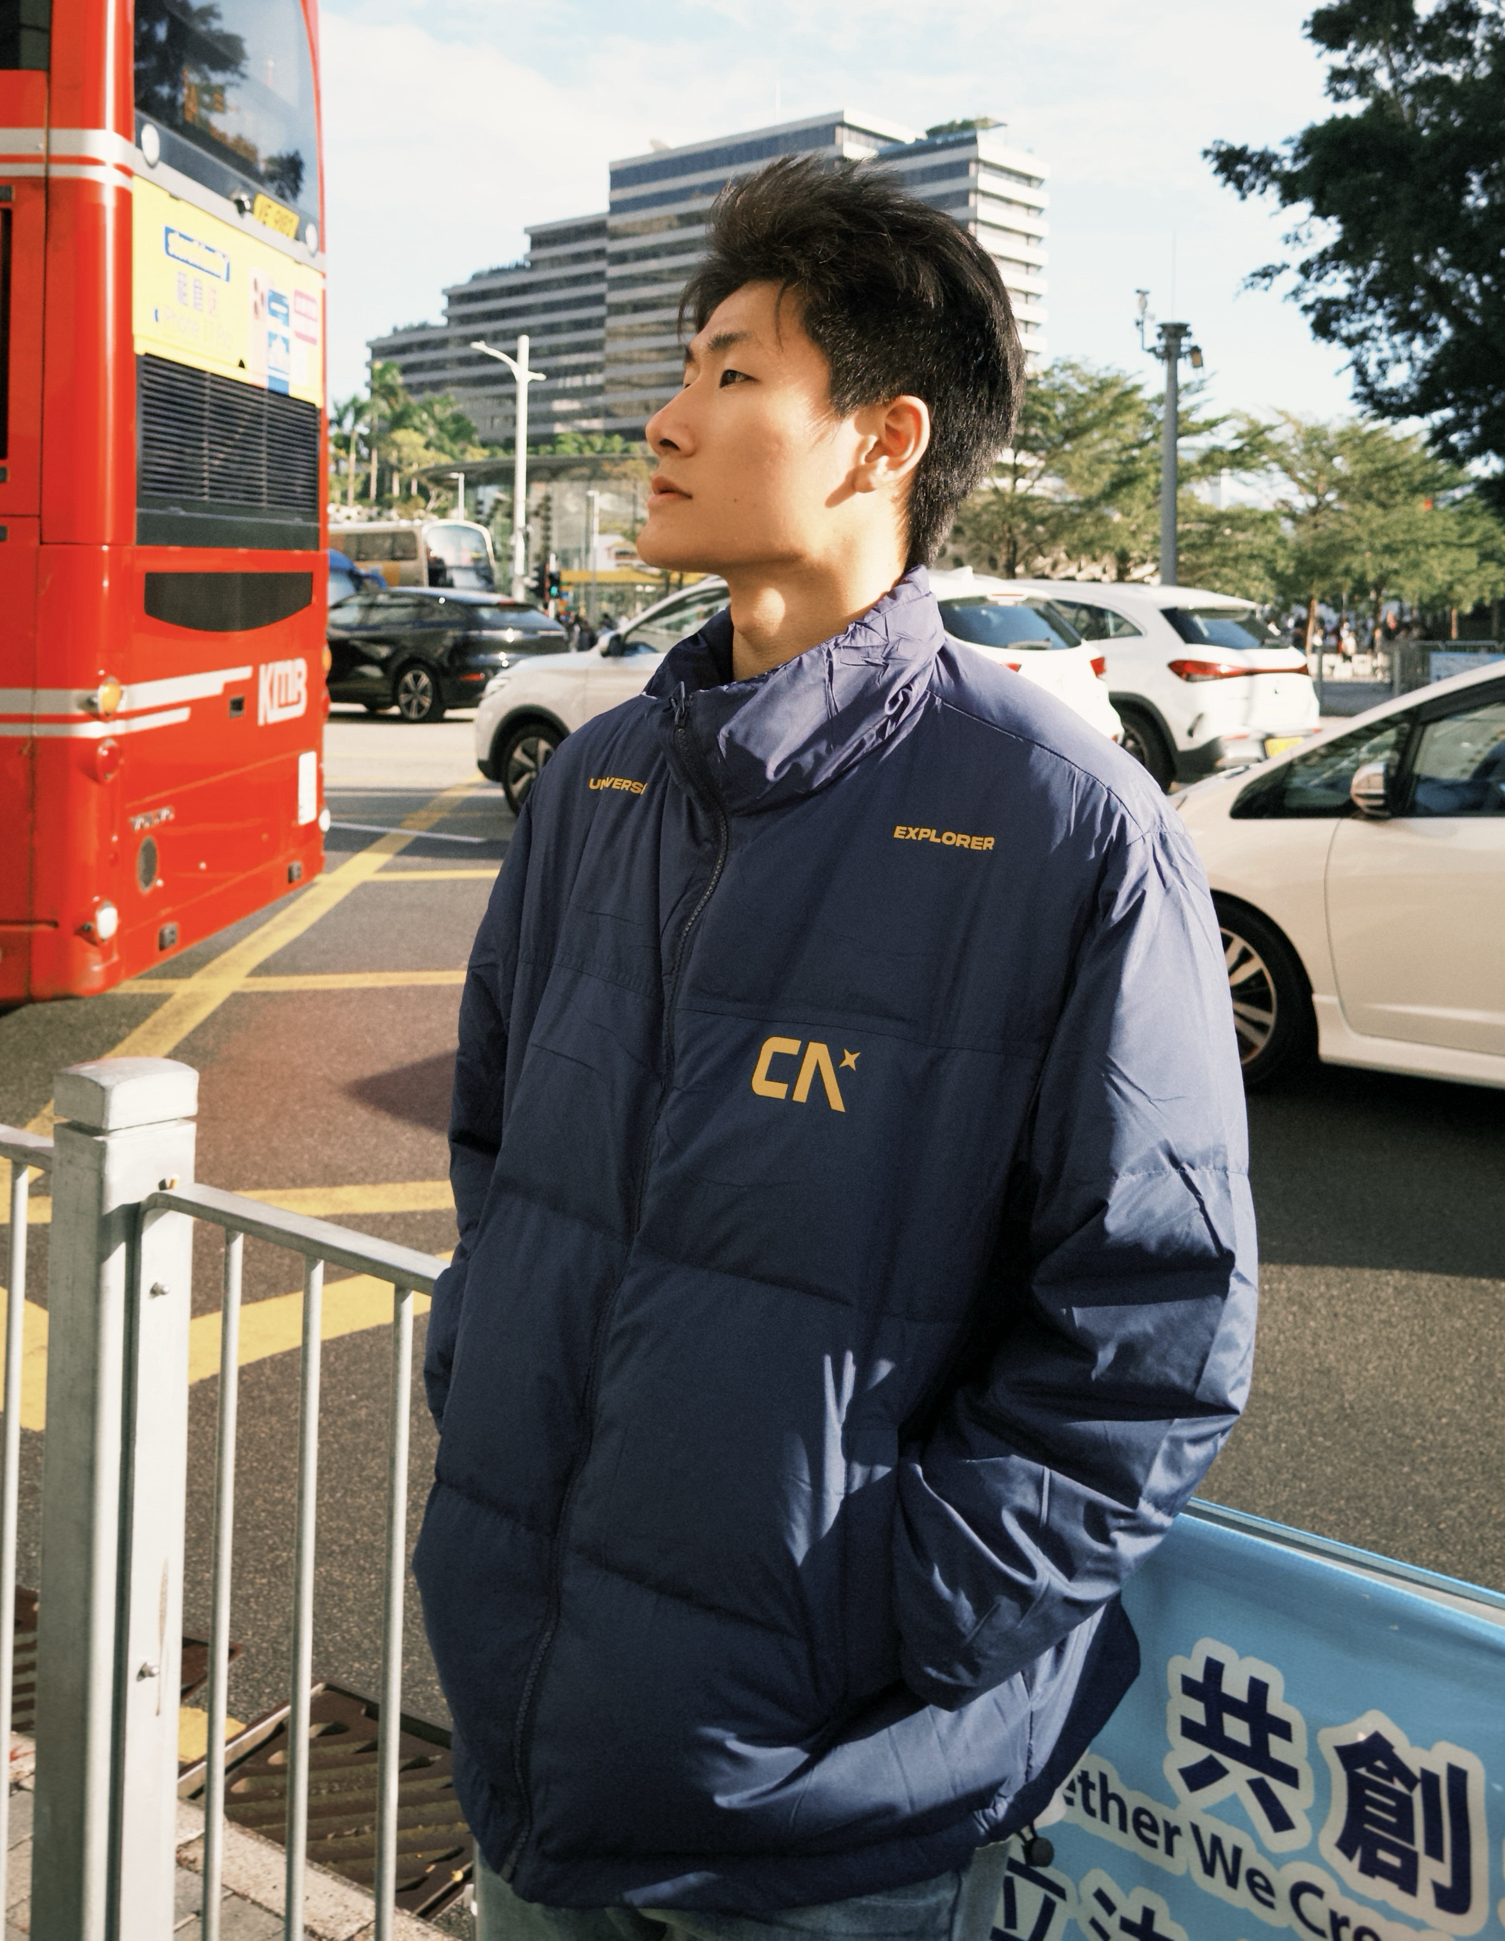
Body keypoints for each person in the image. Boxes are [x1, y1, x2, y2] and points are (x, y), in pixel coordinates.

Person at [417, 155, 1255, 1941]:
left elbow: (1150, 1325)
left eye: (731, 374)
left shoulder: (1059, 824)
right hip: (531, 1739)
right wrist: (480, 1385)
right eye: (685, 369)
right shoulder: (595, 786)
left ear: (882, 440)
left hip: (823, 1804)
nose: (665, 418)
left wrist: (898, 1610)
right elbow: (495, 1161)